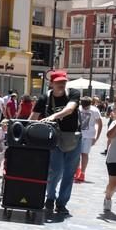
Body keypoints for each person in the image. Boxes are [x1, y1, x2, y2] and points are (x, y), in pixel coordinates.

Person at [30, 71, 81, 216]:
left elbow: (70, 109)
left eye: (64, 81)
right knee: (56, 170)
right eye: (58, 82)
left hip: (73, 138)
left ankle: (62, 203)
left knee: (69, 174)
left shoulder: (73, 93)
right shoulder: (44, 98)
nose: (62, 84)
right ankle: (50, 198)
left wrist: (53, 116)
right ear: (51, 83)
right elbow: (32, 118)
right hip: (53, 139)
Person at [75, 97, 103, 182]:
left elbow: (100, 123)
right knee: (76, 154)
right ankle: (77, 170)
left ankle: (82, 172)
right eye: (83, 105)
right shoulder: (78, 108)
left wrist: (97, 137)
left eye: (86, 106)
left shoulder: (94, 110)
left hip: (88, 135)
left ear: (90, 104)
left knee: (84, 154)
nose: (84, 108)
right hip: (78, 134)